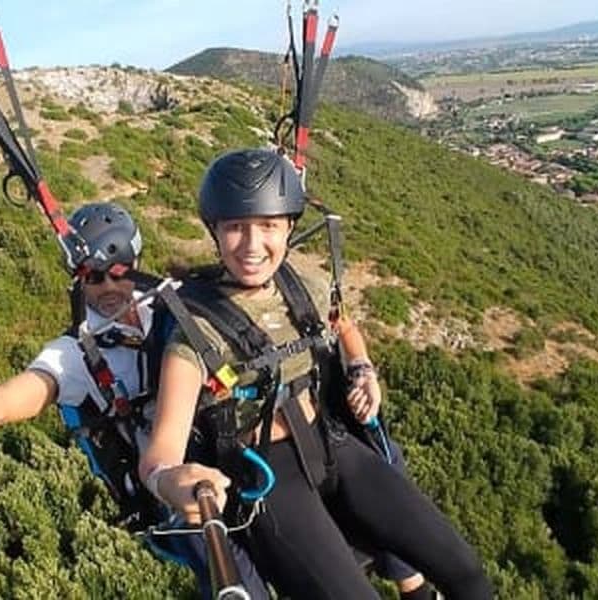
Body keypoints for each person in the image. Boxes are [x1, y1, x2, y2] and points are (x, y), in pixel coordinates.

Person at [139, 148, 493, 599]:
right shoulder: (195, 330)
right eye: (235, 228)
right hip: (268, 475)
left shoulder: (301, 284)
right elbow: (161, 450)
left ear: (289, 226)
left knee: (466, 572)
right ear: (215, 231)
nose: (251, 245)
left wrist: (362, 367)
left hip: (331, 442)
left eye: (267, 226)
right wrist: (168, 480)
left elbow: (341, 323)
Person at [0, 201, 268, 600]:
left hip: (235, 451)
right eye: (94, 278)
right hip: (175, 492)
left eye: (118, 273)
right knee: (238, 585)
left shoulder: (173, 305)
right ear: (78, 280)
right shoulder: (75, 354)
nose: (109, 288)